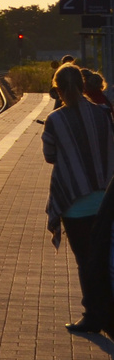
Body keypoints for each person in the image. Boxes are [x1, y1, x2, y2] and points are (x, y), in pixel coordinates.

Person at [42, 62, 114, 332]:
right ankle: (108, 311)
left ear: (58, 90)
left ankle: (94, 316)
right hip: (105, 201)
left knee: (86, 261)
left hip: (74, 204)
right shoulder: (104, 113)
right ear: (84, 86)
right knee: (106, 259)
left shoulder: (55, 119)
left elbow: (50, 156)